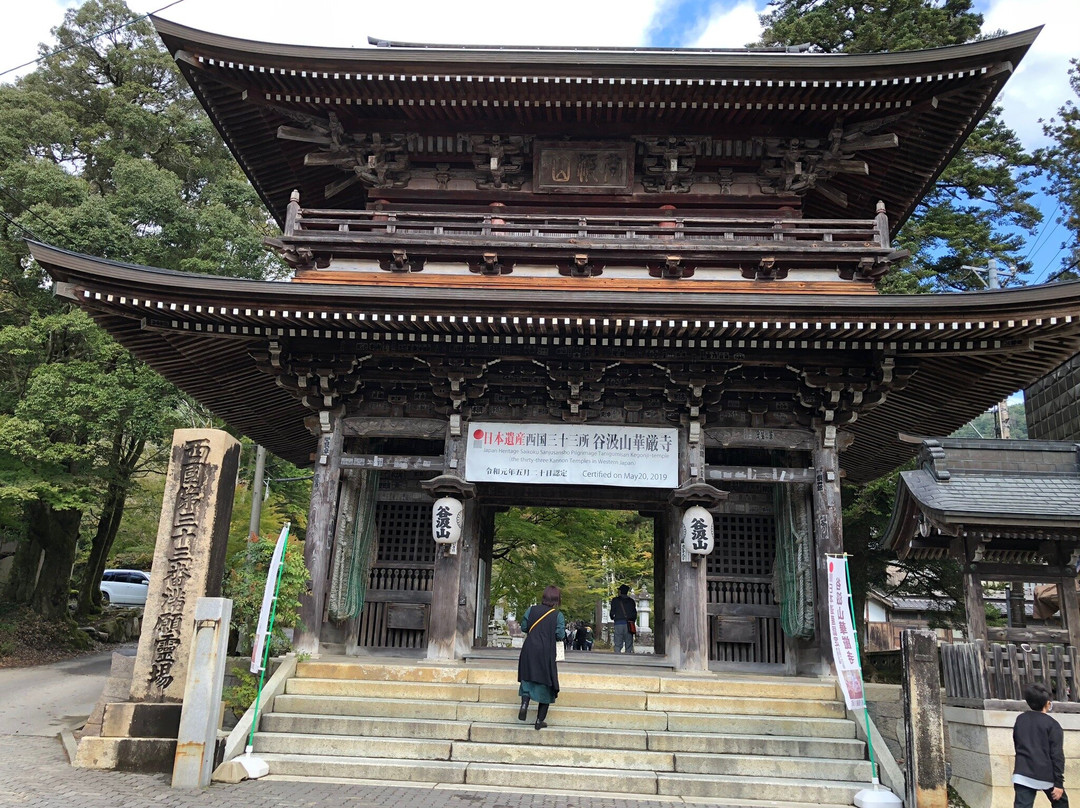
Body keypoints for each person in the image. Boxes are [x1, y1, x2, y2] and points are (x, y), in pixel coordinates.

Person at [517, 585, 565, 730]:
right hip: (546, 651)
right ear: (557, 599)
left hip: (529, 648)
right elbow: (560, 635)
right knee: (546, 683)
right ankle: (539, 720)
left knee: (528, 676)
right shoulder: (557, 615)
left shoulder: (531, 610)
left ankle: (524, 703)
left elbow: (524, 627)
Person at [1013, 682, 1069, 807]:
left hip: (1022, 773)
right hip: (1046, 775)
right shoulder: (1053, 725)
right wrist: (1059, 783)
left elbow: (1017, 744)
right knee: (1061, 804)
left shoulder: (1020, 719)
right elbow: (1057, 755)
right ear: (1048, 704)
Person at [610, 584, 637, 654]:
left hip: (618, 623)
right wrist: (632, 622)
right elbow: (634, 614)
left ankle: (617, 655)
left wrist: (613, 617)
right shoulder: (631, 601)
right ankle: (628, 655)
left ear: (620, 591)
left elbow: (612, 612)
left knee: (618, 642)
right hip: (628, 624)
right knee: (629, 642)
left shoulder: (615, 600)